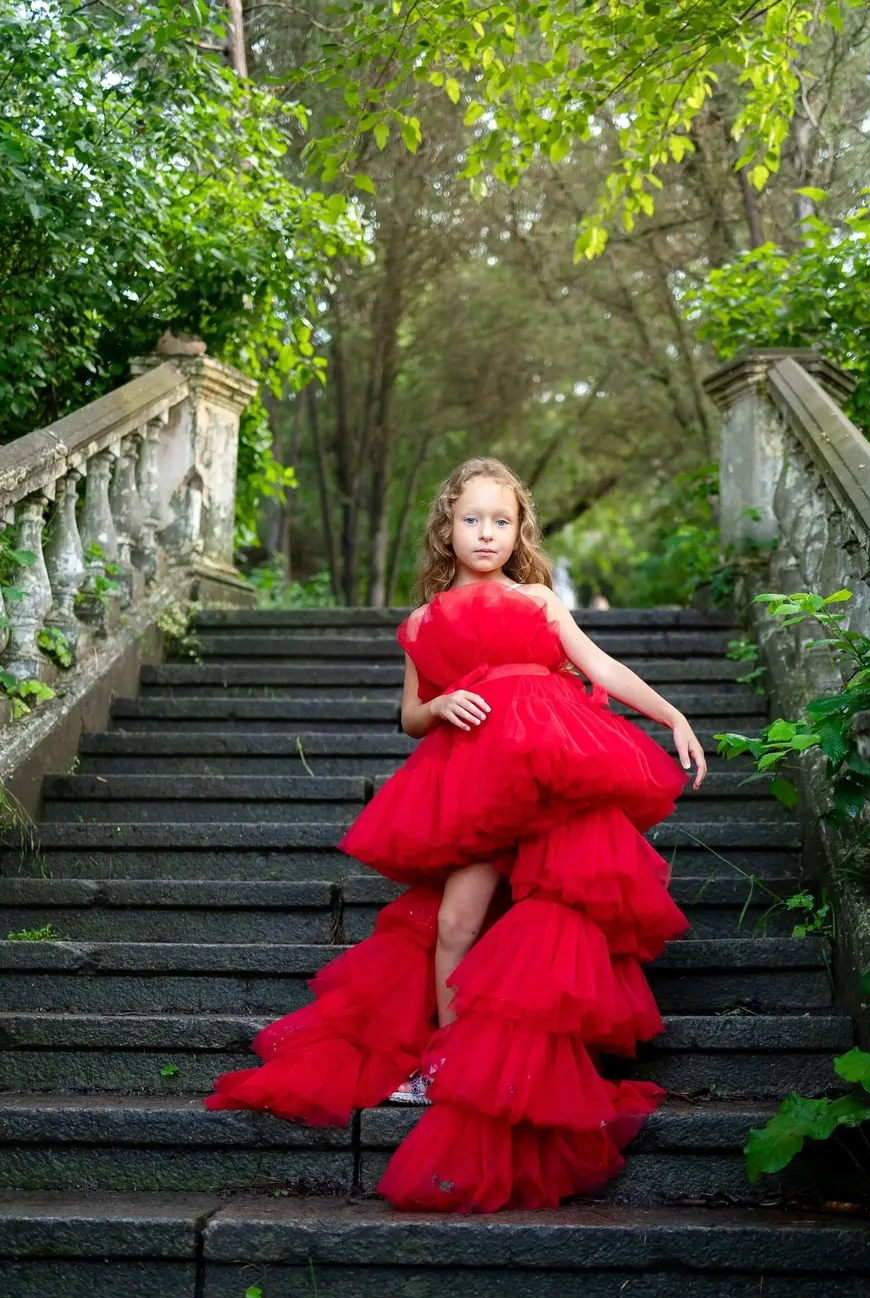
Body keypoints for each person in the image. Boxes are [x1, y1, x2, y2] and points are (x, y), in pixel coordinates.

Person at [206, 457, 707, 1212]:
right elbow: (411, 714)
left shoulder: (537, 601)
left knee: (558, 911)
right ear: (447, 527)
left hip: (555, 773)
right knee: (455, 921)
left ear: (519, 531)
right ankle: (444, 1061)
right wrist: (441, 709)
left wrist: (672, 715)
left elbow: (597, 662)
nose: (486, 533)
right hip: (477, 785)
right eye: (472, 519)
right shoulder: (423, 622)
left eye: (501, 521)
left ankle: (542, 1062)